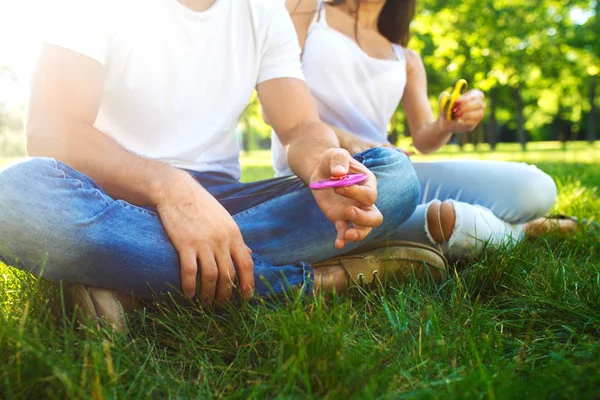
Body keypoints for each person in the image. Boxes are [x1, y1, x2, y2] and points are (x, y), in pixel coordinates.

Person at [0, 0, 428, 330]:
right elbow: (52, 128)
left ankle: (135, 280)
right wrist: (170, 189)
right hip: (111, 196)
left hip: (222, 207)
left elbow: (300, 126)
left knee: (394, 175)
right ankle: (309, 283)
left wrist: (325, 163)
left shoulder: (261, 10)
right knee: (14, 198)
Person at [272, 0, 576, 262]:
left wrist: (446, 124)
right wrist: (354, 142)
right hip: (314, 177)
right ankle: (521, 231)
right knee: (452, 220)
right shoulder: (307, 10)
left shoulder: (405, 57)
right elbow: (278, 103)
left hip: (385, 177)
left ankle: (503, 228)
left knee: (537, 188)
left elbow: (424, 138)